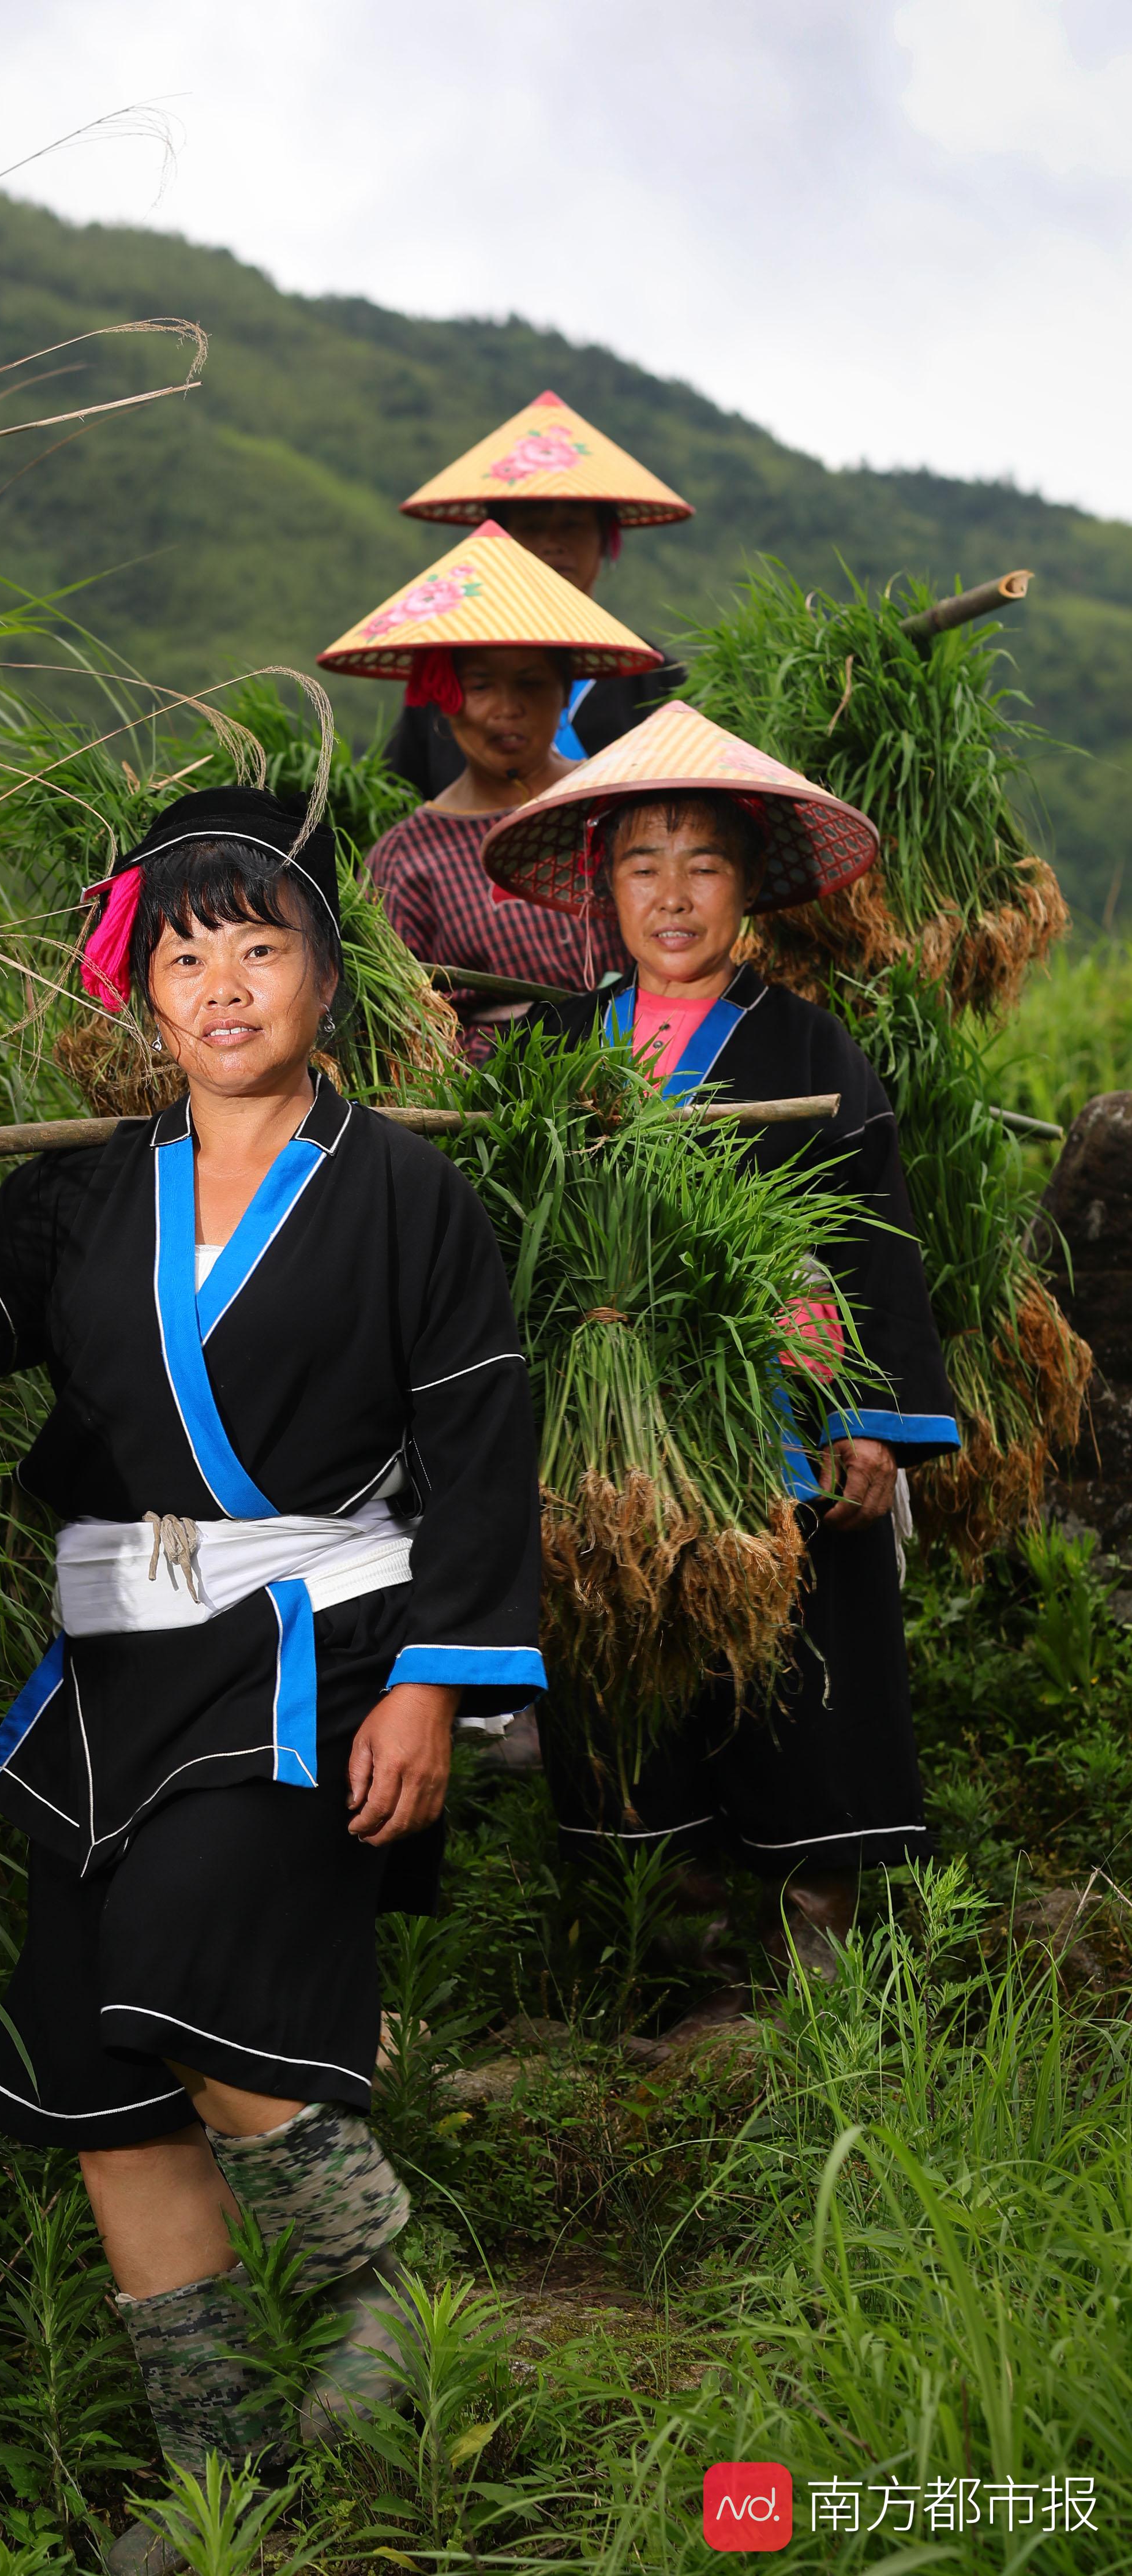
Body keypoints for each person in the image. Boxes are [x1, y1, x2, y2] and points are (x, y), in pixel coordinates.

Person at [0, 784, 545, 2564]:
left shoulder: (403, 1193)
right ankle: (223, 2474)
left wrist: (434, 1686)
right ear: (142, 992)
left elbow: (480, 1446)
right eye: (185, 958)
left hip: (312, 1647)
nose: (224, 988)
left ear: (330, 978)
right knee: (99, 2077)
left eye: (261, 947)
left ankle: (378, 2286)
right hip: (116, 1666)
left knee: (180, 1961)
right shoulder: (86, 1192)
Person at [480, 702, 960, 2001]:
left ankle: (819, 1942)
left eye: (704, 865)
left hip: (778, 1428)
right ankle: (667, 1964)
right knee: (631, 1673)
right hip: (605, 1438)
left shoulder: (810, 1046)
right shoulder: (551, 1051)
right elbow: (503, 1237)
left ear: (748, 889)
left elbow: (874, 1242)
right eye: (644, 865)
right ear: (605, 886)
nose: (674, 895)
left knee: (805, 1676)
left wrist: (870, 1419)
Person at [317, 519, 660, 1060]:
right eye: (480, 686)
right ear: (445, 695)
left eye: (531, 683)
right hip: (493, 1090)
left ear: (563, 691)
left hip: (650, 1061)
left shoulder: (617, 805)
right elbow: (397, 1029)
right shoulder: (407, 857)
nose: (508, 708)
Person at [388, 391, 692, 799]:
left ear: (606, 540)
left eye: (572, 525)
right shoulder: (448, 672)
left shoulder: (653, 677)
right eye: (531, 527)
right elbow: (396, 799)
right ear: (497, 540)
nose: (552, 543)